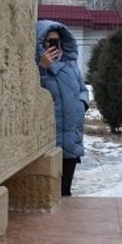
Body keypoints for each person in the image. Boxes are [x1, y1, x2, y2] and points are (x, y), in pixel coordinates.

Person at [36, 20, 89, 196]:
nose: (54, 45)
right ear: (40, 43)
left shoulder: (71, 66)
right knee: (48, 194)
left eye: (57, 41)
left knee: (65, 191)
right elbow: (31, 92)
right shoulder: (35, 67)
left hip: (72, 136)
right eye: (49, 41)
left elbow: (83, 90)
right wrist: (42, 68)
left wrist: (81, 105)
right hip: (49, 138)